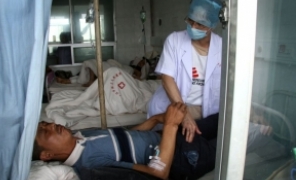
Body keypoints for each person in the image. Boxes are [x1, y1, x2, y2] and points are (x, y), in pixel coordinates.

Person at [33, 102, 219, 179]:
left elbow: (126, 138)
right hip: (182, 156)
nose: (50, 125)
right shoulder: (89, 166)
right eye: (44, 131)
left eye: (44, 123)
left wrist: (155, 120)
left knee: (226, 118)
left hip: (171, 136)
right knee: (235, 141)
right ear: (47, 154)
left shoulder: (81, 136)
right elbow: (157, 173)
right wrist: (170, 126)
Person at [147, 0, 222, 143]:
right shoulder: (175, 40)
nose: (193, 27)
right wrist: (185, 114)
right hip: (172, 105)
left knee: (189, 150)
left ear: (212, 25)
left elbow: (233, 83)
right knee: (161, 147)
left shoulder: (222, 48)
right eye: (190, 21)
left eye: (200, 24)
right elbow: (167, 77)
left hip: (205, 110)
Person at [55, 58, 150, 87]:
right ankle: (70, 80)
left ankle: (70, 81)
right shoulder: (132, 65)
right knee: (90, 66)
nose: (140, 62)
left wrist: (140, 66)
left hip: (117, 71)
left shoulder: (139, 71)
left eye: (143, 62)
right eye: (141, 61)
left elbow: (137, 78)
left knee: (90, 63)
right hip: (114, 66)